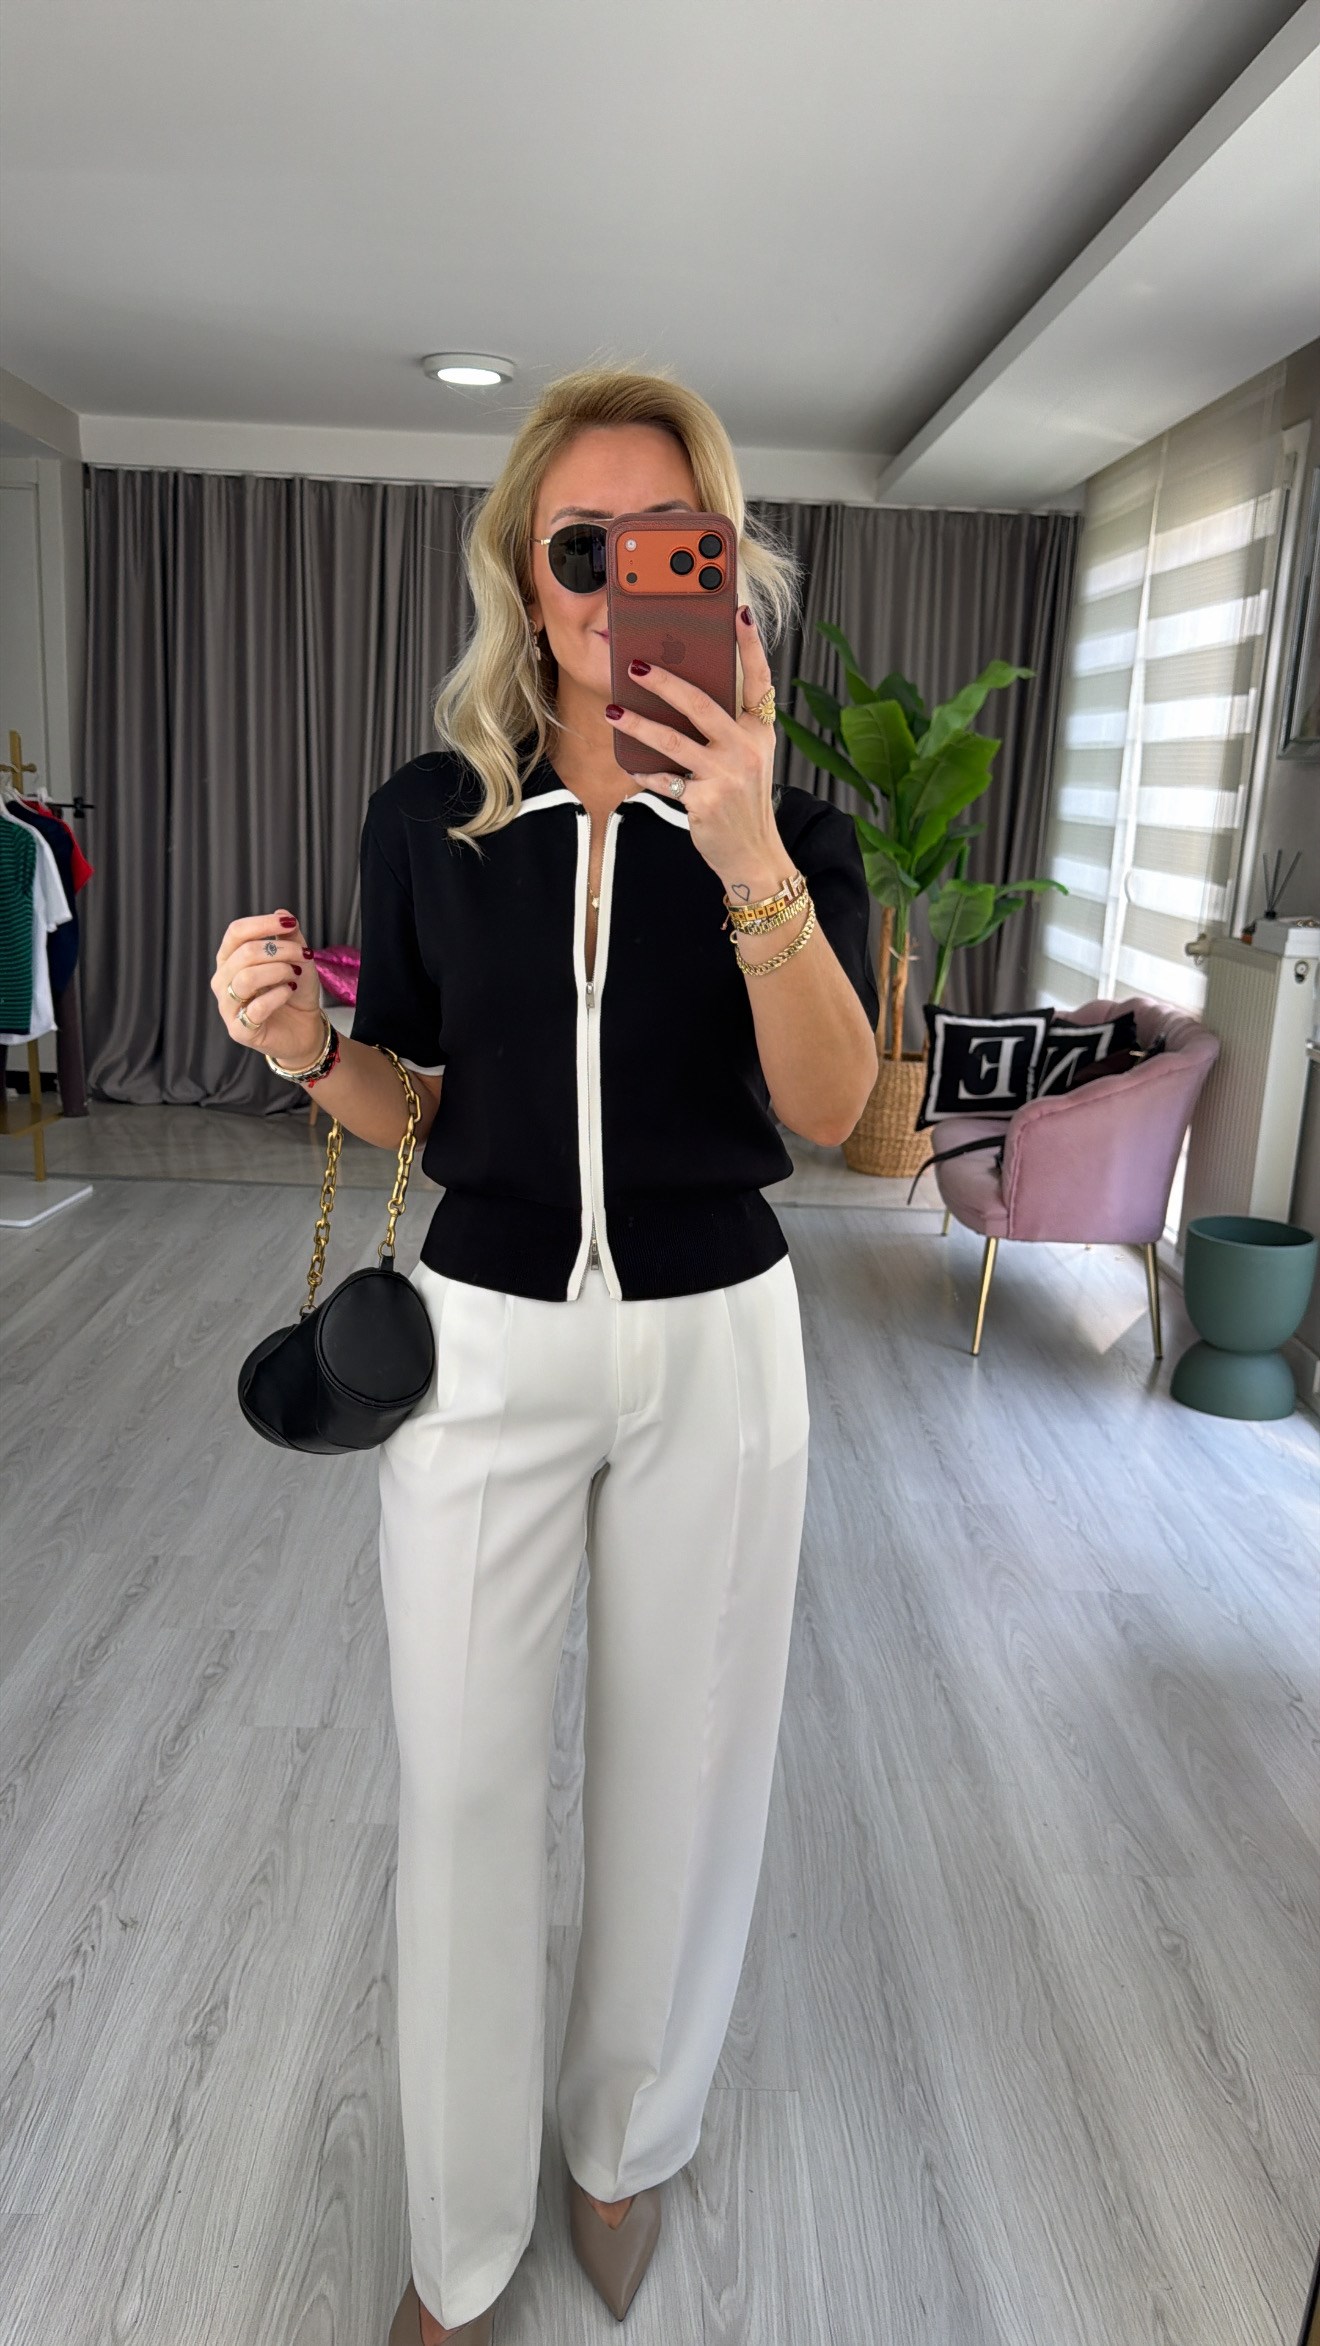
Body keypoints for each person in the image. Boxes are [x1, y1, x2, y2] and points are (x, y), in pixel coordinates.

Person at [211, 365, 879, 2345]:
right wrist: (301, 1050)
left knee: (691, 1776)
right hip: (486, 1346)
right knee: (467, 1793)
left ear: (719, 567)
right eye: (579, 547)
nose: (613, 586)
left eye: (666, 544)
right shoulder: (433, 817)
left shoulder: (792, 822)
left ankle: (622, 2142)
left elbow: (834, 1108)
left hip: (719, 1352)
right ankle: (461, 2238)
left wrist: (746, 851)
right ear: (522, 567)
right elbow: (418, 1099)